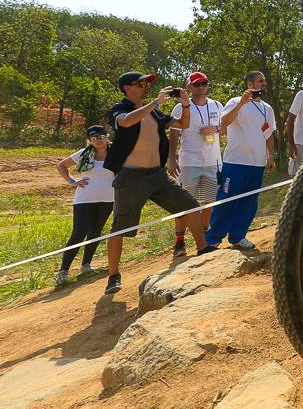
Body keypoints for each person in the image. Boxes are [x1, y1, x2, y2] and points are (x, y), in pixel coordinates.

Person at [104, 72, 209, 295]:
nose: (145, 87)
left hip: (157, 175)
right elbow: (126, 122)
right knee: (120, 228)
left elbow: (182, 124)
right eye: (140, 84)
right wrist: (155, 103)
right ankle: (113, 275)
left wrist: (186, 104)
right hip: (131, 178)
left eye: (146, 83)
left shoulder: (155, 111)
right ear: (126, 88)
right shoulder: (119, 108)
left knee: (190, 205)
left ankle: (203, 249)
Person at [206, 71, 275, 251]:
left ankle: (238, 236)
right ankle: (213, 239)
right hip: (235, 162)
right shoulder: (236, 101)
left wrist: (270, 156)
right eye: (261, 81)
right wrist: (242, 104)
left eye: (264, 80)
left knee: (249, 203)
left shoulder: (267, 108)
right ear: (250, 84)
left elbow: (268, 135)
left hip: (257, 163)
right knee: (227, 200)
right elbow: (223, 125)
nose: (264, 83)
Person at [167, 72, 222, 256]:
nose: (201, 87)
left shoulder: (216, 105)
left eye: (204, 83)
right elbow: (173, 133)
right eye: (197, 84)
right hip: (189, 161)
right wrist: (172, 158)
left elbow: (225, 126)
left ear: (208, 85)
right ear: (189, 87)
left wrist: (216, 128)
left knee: (209, 202)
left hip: (213, 161)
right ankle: (179, 243)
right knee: (185, 204)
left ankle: (204, 240)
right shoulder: (180, 107)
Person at [54, 125, 115, 286]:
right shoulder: (83, 153)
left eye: (101, 136)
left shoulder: (116, 152)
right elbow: (61, 166)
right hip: (85, 199)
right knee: (79, 233)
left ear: (107, 136)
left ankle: (86, 266)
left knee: (96, 231)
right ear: (89, 140)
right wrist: (72, 181)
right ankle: (63, 271)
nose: (98, 140)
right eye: (94, 138)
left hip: (108, 198)